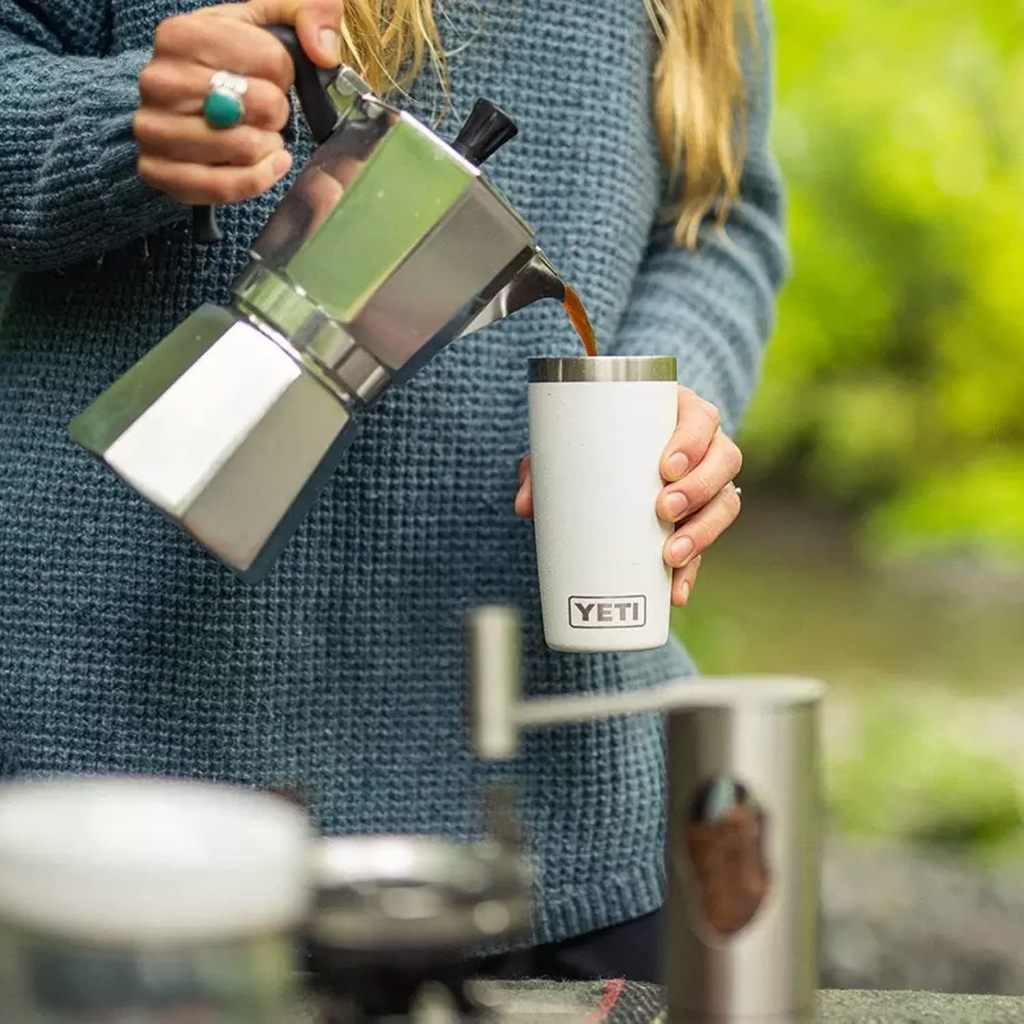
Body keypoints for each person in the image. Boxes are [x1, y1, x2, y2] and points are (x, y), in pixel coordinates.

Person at [0, 0, 785, 981]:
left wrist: (666, 398)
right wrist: (123, 123)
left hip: (568, 796)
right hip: (121, 795)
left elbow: (719, 218)